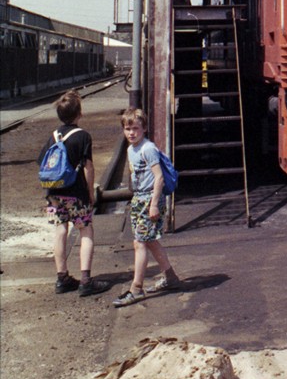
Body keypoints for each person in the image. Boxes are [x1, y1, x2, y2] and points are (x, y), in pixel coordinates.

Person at [114, 108, 182, 305]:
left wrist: (153, 205)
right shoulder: (130, 149)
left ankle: (136, 288)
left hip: (149, 200)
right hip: (139, 199)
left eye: (135, 128)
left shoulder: (147, 148)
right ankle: (171, 278)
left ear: (144, 128)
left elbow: (159, 177)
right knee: (149, 240)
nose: (131, 133)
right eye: (128, 129)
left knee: (140, 242)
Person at [41, 90, 101, 297]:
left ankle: (62, 278)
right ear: (79, 113)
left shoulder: (53, 136)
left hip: (54, 194)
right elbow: (88, 168)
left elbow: (42, 162)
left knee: (60, 231)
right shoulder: (83, 136)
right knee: (85, 231)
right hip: (76, 193)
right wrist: (90, 191)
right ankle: (85, 281)